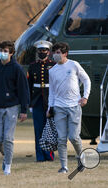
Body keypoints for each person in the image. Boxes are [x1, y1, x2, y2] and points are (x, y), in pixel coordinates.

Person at [0, 41, 30, 175]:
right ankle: (7, 155)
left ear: (11, 53)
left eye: (5, 51)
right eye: (0, 50)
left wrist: (24, 110)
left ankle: (8, 166)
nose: (2, 53)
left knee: (8, 138)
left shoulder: (17, 68)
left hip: (12, 107)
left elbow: (23, 90)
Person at [47, 42, 91, 173]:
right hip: (59, 107)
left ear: (65, 53)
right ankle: (64, 166)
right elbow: (52, 92)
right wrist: (49, 108)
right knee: (61, 138)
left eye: (58, 52)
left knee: (74, 137)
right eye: (54, 52)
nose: (55, 55)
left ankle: (80, 156)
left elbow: (86, 80)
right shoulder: (52, 71)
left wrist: (85, 97)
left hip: (74, 106)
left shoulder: (74, 65)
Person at [27, 40, 56, 162]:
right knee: (38, 129)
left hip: (50, 100)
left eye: (44, 50)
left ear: (48, 52)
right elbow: (29, 86)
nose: (42, 52)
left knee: (49, 128)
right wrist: (30, 103)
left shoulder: (54, 65)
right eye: (40, 51)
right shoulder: (32, 65)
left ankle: (49, 155)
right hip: (37, 100)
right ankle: (40, 156)